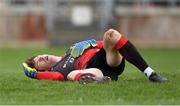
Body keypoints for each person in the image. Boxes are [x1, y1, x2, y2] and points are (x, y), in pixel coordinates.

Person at [22, 29, 167, 84]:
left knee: (111, 34)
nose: (41, 58)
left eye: (39, 56)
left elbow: (102, 44)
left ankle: (150, 74)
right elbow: (57, 78)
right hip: (94, 71)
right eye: (38, 62)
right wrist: (35, 75)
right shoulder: (56, 70)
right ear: (44, 70)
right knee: (71, 75)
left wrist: (91, 42)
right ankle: (99, 80)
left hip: (106, 59)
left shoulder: (70, 50)